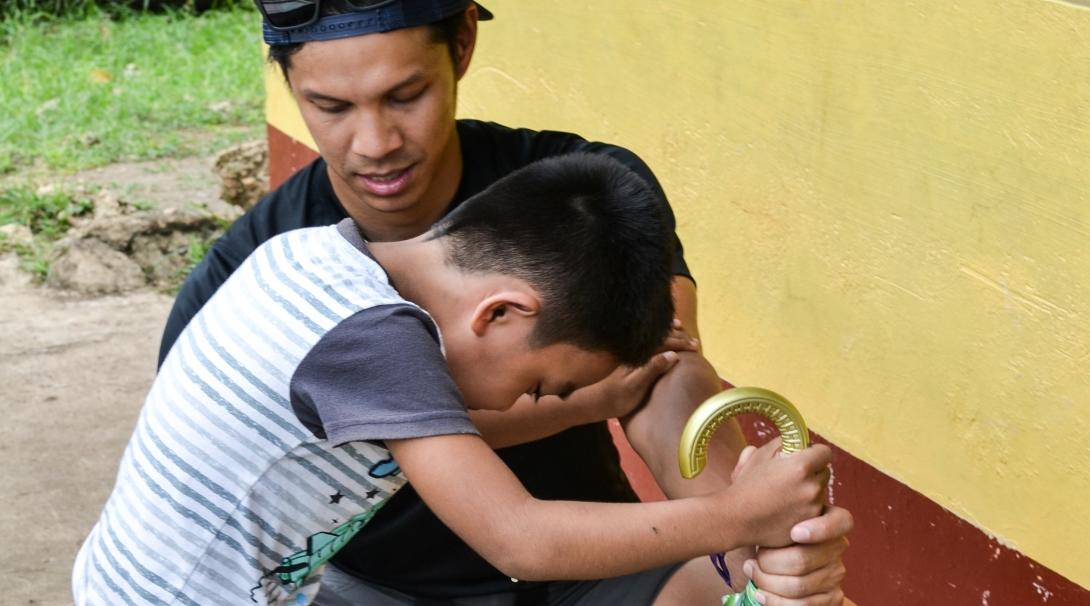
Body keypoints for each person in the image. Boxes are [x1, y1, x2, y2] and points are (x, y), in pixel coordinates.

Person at [158, 1, 854, 604]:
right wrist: (729, 510)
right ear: (288, 82)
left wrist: (760, 549)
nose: (374, 144)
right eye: (330, 108)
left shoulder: (587, 202)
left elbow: (659, 375)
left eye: (405, 95)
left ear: (462, 43)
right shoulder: (255, 278)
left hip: (596, 561)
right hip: (363, 590)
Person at [75, 154, 834, 606]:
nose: (525, 402)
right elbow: (521, 541)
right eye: (542, 384)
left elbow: (453, 433)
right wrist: (741, 513)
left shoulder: (320, 264)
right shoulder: (376, 341)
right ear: (499, 313)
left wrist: (593, 403)